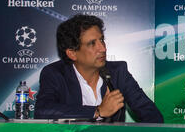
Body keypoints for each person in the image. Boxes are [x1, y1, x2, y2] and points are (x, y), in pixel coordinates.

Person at [35, 14, 163, 123]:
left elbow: (151, 114)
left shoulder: (118, 72)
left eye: (101, 40)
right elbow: (43, 111)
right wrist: (98, 111)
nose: (103, 48)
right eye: (92, 43)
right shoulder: (55, 73)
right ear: (72, 53)